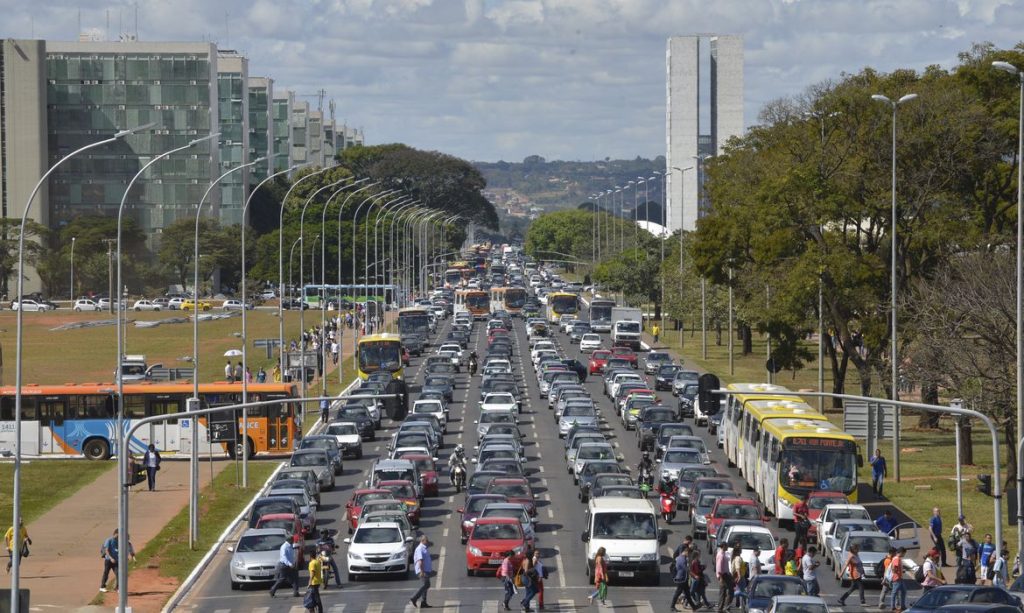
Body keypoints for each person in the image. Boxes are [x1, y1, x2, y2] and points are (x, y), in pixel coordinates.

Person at [100, 528, 135, 593]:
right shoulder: (109, 540)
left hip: (116, 561)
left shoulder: (119, 541)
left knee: (118, 574)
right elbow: (106, 550)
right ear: (116, 533)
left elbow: (120, 550)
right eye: (119, 534)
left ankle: (117, 588)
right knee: (106, 573)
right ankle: (102, 587)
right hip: (108, 560)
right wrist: (111, 558)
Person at [671, 544, 697, 611]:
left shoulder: (680, 557)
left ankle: (694, 607)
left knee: (687, 594)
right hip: (681, 579)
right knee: (677, 593)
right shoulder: (682, 559)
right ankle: (672, 607)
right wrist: (694, 575)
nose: (689, 555)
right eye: (689, 553)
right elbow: (686, 569)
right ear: (686, 551)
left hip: (683, 579)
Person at [409, 535, 432, 608]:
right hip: (422, 570)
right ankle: (414, 598)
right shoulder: (419, 549)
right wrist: (422, 571)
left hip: (426, 570)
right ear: (422, 541)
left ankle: (423, 602)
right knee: (426, 585)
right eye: (426, 540)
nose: (428, 542)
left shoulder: (424, 548)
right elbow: (420, 560)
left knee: (425, 585)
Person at [715, 541, 733, 612]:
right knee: (724, 592)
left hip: (726, 574)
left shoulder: (723, 553)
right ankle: (721, 608)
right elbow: (719, 568)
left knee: (727, 591)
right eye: (726, 546)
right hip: (723, 576)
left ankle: (724, 607)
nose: (727, 547)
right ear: (724, 546)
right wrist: (721, 578)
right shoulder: (721, 555)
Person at [730, 545, 748, 609]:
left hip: (739, 576)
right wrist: (739, 576)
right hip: (740, 576)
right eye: (740, 549)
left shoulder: (736, 557)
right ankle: (741, 604)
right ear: (738, 551)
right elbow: (737, 567)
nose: (741, 549)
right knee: (741, 591)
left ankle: (739, 603)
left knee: (739, 590)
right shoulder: (738, 558)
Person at [890, 547, 907, 612]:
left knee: (903, 591)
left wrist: (901, 571)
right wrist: (898, 573)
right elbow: (894, 568)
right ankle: (893, 607)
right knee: (894, 593)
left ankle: (902, 606)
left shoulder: (897, 558)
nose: (904, 555)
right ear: (902, 552)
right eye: (904, 553)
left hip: (900, 578)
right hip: (897, 578)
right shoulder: (896, 559)